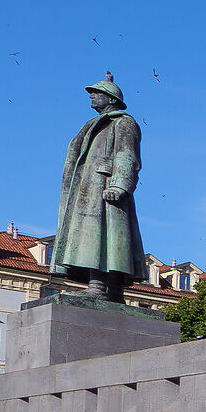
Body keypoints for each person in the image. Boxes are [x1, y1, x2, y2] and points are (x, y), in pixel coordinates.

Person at [53, 75, 144, 301]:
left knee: (107, 238)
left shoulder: (123, 122)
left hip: (106, 188)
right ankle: (106, 290)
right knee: (92, 236)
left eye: (97, 92)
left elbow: (127, 155)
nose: (92, 96)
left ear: (111, 99)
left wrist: (119, 184)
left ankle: (103, 288)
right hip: (88, 189)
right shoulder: (91, 124)